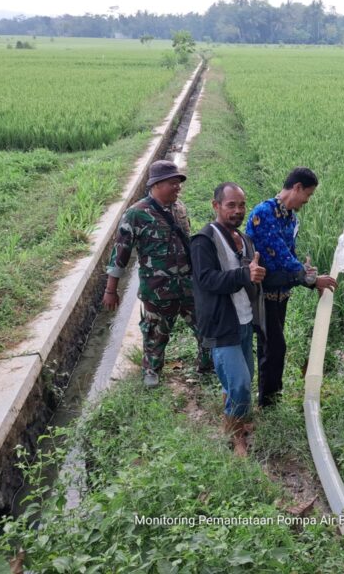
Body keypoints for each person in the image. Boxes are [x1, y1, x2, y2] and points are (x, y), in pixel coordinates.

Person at [103, 159, 212, 388]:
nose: (178, 187)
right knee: (155, 334)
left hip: (188, 285)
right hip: (157, 291)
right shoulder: (135, 215)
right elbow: (120, 255)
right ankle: (152, 370)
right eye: (173, 183)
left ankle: (206, 365)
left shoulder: (179, 208)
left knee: (204, 325)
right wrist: (111, 290)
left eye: (179, 183)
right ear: (156, 184)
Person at [246, 167, 338, 408]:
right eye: (307, 194)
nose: (307, 200)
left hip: (281, 293)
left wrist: (307, 273)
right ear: (296, 187)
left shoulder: (290, 218)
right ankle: (268, 402)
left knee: (270, 345)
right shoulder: (264, 214)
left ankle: (269, 398)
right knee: (274, 346)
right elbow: (280, 257)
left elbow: (290, 256)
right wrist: (311, 280)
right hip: (263, 293)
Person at [191, 182, 266, 456]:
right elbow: (207, 280)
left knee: (239, 380)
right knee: (240, 384)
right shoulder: (204, 241)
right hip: (222, 325)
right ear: (216, 206)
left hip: (244, 321)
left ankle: (233, 422)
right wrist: (245, 275)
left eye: (241, 205)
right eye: (230, 205)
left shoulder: (244, 239)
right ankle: (236, 439)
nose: (237, 210)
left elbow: (249, 275)